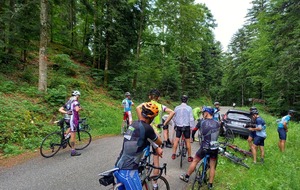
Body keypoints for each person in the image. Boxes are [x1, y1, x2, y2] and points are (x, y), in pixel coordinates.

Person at [114, 102, 163, 190]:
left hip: (118, 167)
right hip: (128, 172)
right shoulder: (148, 128)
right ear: (151, 118)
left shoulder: (134, 124)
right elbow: (159, 141)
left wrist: (156, 147)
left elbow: (144, 138)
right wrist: (153, 129)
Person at [136, 89, 174, 187]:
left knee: (139, 154)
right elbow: (172, 112)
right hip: (156, 134)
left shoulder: (146, 105)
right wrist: (164, 123)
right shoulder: (161, 106)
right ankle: (155, 184)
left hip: (145, 131)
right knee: (156, 159)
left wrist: (141, 120)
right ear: (158, 97)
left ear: (150, 96)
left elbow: (137, 108)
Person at [180, 106, 220, 190]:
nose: (202, 114)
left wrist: (193, 138)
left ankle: (186, 177)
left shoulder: (201, 122)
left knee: (195, 160)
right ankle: (210, 185)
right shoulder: (217, 123)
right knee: (212, 166)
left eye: (203, 112)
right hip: (214, 148)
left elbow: (194, 130)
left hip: (204, 147)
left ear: (207, 113)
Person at [172, 95, 194, 162]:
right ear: (187, 100)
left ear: (181, 100)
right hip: (186, 126)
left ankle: (174, 154)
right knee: (188, 141)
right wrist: (191, 127)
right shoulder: (189, 108)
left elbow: (174, 117)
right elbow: (191, 118)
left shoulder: (176, 108)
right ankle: (189, 156)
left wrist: (175, 124)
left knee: (176, 140)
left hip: (179, 126)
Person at [59, 90, 82, 156]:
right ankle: (73, 151)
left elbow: (60, 109)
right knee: (73, 135)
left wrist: (66, 112)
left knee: (69, 128)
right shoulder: (75, 102)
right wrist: (80, 108)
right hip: (73, 119)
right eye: (78, 96)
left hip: (67, 119)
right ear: (77, 96)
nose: (78, 97)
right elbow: (77, 109)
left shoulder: (68, 102)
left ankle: (65, 136)